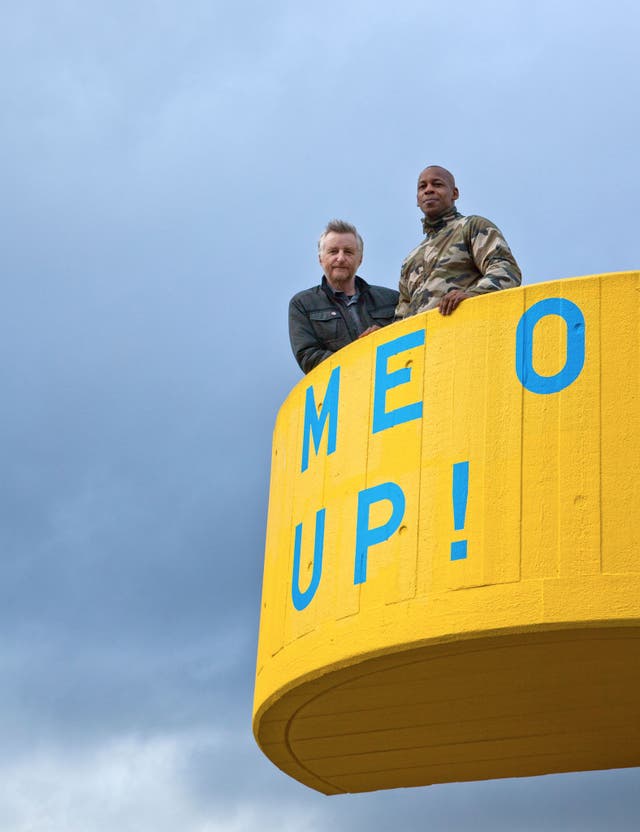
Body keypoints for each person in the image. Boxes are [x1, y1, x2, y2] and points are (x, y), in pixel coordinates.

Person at [395, 166, 521, 319]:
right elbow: (401, 315)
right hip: (423, 340)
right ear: (417, 199)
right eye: (423, 187)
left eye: (437, 184)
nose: (428, 190)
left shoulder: (471, 227)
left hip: (462, 331)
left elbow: (506, 270)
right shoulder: (410, 259)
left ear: (454, 193)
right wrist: (380, 334)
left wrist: (472, 295)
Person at [289, 220, 399, 373]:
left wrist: (382, 337)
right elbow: (308, 358)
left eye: (348, 252)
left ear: (360, 259)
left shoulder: (392, 299)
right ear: (320, 259)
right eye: (333, 251)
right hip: (343, 393)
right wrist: (356, 358)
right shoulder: (303, 305)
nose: (340, 258)